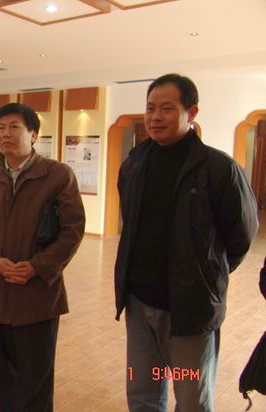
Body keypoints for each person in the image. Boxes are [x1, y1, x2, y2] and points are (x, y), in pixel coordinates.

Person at [114, 73, 259, 412]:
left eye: (167, 109)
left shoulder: (218, 168)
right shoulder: (134, 163)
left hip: (189, 310)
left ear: (191, 113)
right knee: (142, 391)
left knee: (192, 398)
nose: (155, 117)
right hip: (139, 303)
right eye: (150, 108)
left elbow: (241, 235)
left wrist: (205, 275)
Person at [0, 103, 86, 412]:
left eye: (14, 127)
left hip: (37, 294)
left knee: (36, 380)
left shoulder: (57, 175)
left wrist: (37, 266)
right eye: (0, 128)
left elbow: (72, 229)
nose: (5, 133)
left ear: (33, 134)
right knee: (4, 379)